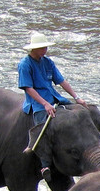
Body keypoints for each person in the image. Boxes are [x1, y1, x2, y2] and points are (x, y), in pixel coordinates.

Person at [18, 32, 87, 172]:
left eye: (45, 47)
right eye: (42, 47)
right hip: (37, 102)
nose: (45, 50)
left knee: (84, 112)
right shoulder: (25, 65)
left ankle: (91, 146)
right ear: (34, 49)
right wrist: (45, 104)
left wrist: (77, 97)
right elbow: (28, 88)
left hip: (54, 97)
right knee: (43, 127)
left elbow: (61, 81)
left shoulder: (48, 62)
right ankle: (45, 164)